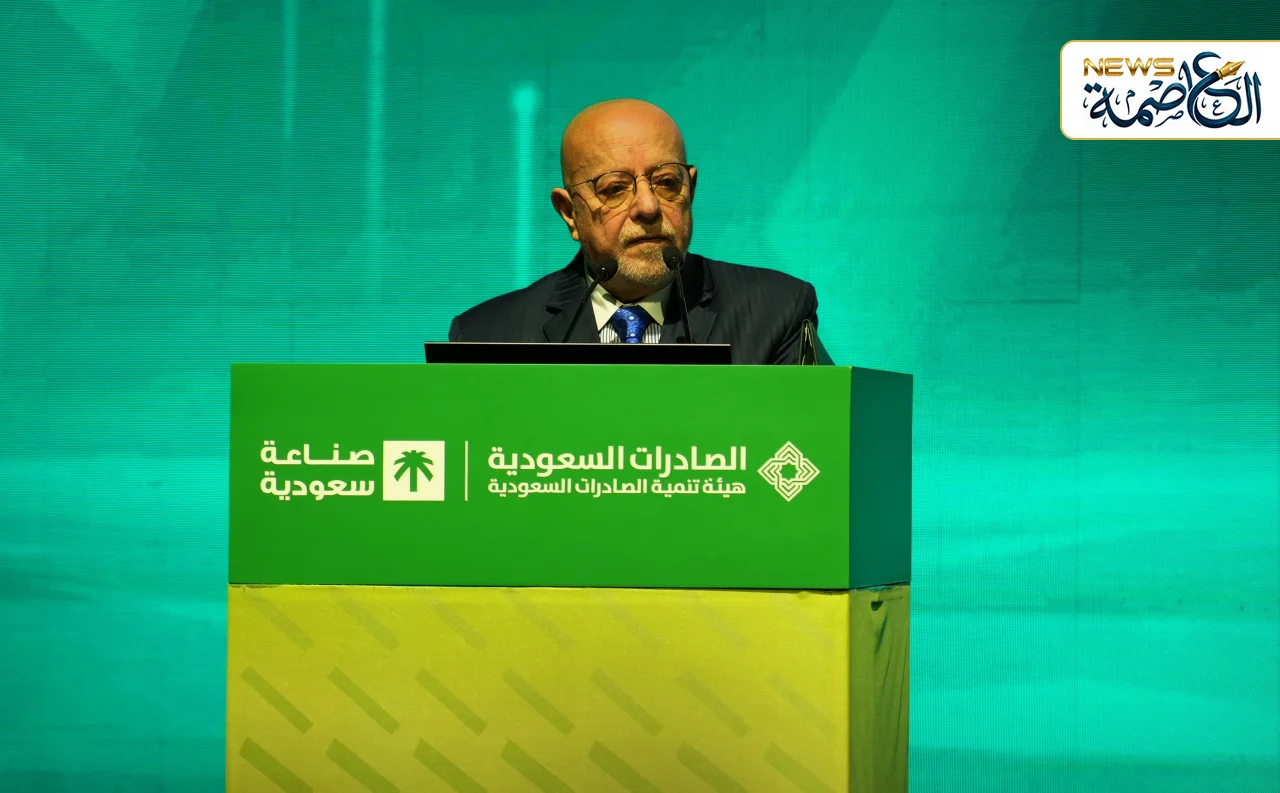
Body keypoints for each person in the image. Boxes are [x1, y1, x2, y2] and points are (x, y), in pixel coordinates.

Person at [448, 99, 820, 364]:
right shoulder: (486, 337)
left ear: (690, 190)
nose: (648, 207)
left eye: (667, 182)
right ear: (570, 213)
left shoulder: (777, 311)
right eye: (614, 189)